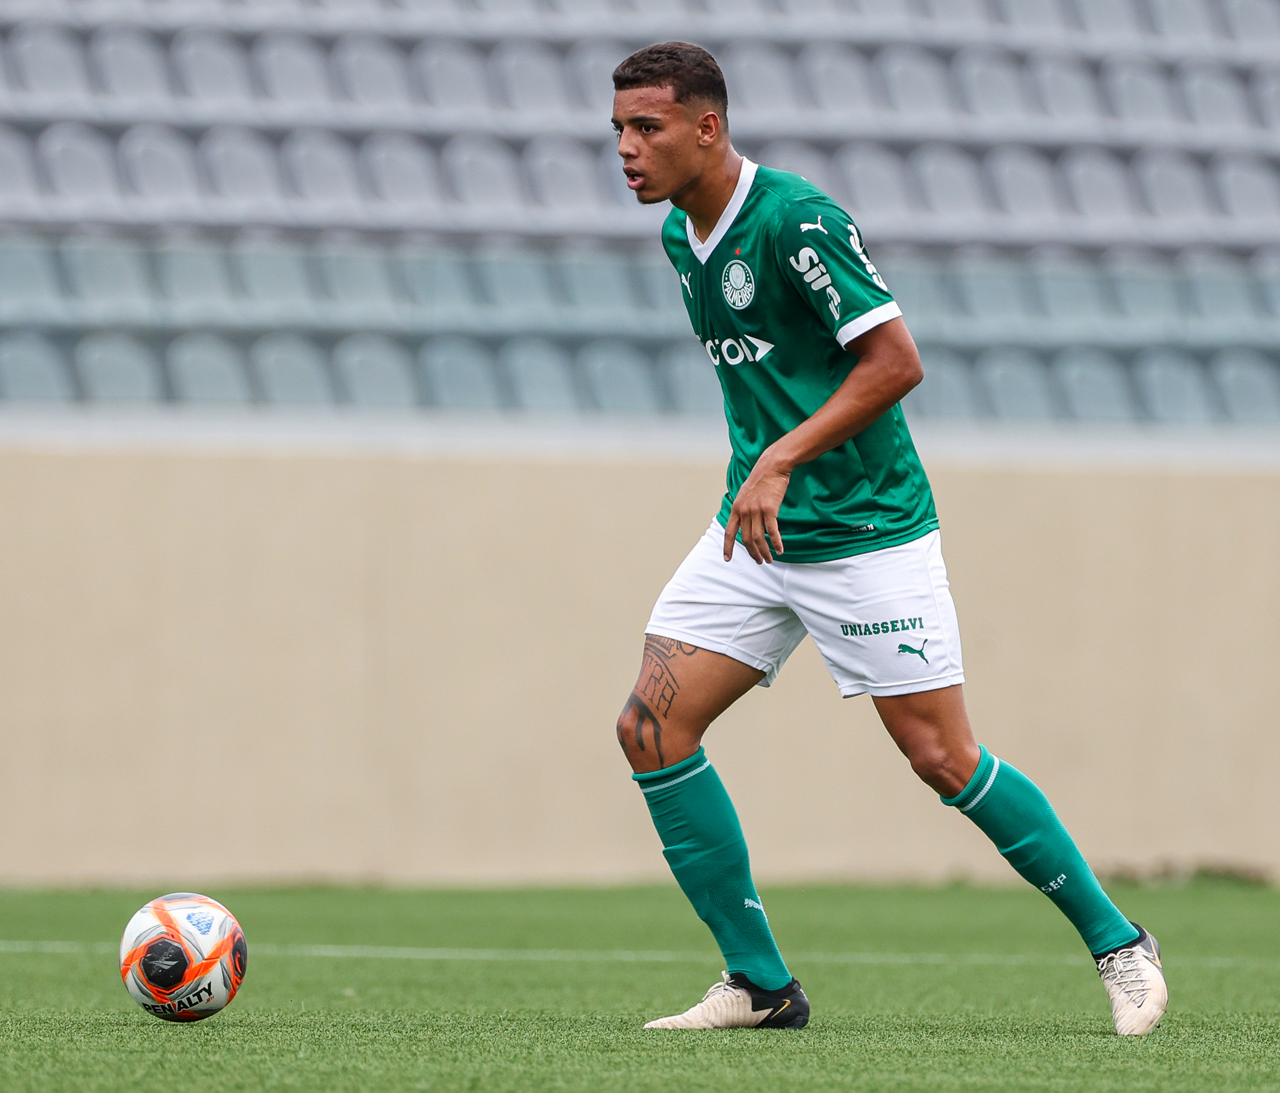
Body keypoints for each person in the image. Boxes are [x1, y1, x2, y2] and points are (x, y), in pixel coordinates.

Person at [609, 42, 1167, 1035]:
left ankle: (1118, 941)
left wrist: (780, 457)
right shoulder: (676, 238)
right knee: (650, 726)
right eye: (616, 129)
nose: (625, 148)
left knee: (940, 756)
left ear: (707, 127)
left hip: (864, 532)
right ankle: (759, 984)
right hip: (755, 530)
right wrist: (763, 472)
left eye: (645, 128)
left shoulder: (796, 221)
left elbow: (894, 362)